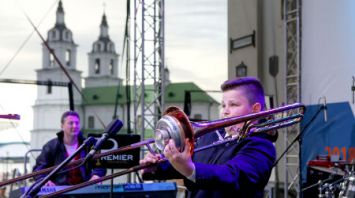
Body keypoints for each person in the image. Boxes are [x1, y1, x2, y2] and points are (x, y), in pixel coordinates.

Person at [140, 76, 277, 197]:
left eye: (233, 105)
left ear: (255, 109)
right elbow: (186, 164)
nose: (225, 112)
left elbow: (232, 176)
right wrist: (155, 167)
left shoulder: (261, 145)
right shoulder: (210, 135)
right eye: (223, 105)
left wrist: (188, 167)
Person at [33, 111, 106, 186]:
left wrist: (96, 175)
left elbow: (100, 166)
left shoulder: (89, 145)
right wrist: (44, 181)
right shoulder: (50, 146)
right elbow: (38, 170)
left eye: (77, 123)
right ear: (62, 126)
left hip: (84, 189)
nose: (75, 126)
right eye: (70, 123)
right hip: (59, 192)